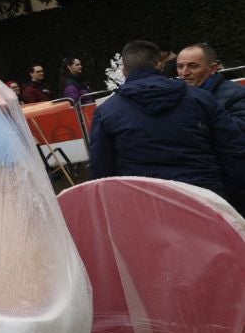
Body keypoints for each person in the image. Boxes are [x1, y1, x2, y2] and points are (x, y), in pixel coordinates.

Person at [89, 40, 245, 212]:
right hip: (205, 195)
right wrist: (234, 202)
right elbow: (232, 150)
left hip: (146, 202)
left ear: (124, 71)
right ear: (160, 65)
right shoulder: (201, 98)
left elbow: (102, 169)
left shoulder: (106, 112)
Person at [177, 44, 245, 132]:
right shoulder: (175, 93)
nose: (184, 73)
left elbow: (240, 127)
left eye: (193, 66)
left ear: (213, 68)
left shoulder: (237, 94)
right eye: (180, 66)